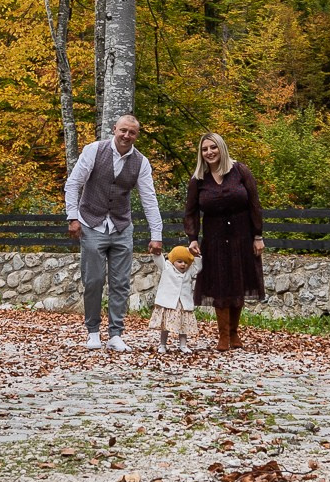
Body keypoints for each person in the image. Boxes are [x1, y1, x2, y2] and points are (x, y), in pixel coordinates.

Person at [64, 114, 164, 351]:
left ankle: (116, 334)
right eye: (123, 131)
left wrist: (156, 235)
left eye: (132, 133)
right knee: (94, 280)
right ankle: (93, 332)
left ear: (136, 135)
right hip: (91, 222)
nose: (127, 136)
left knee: (121, 283)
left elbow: (149, 199)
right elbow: (74, 183)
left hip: (121, 226)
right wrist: (72, 217)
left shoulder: (141, 162)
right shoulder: (94, 151)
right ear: (114, 130)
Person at [183, 131, 264, 351]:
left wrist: (258, 235)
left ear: (221, 148)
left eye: (213, 147)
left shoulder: (240, 171)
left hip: (242, 236)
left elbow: (254, 204)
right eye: (204, 149)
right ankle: (223, 336)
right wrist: (192, 238)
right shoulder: (198, 179)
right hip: (214, 238)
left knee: (238, 282)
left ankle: (235, 333)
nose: (209, 152)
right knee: (220, 284)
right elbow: (190, 212)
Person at [150, 244, 202, 353]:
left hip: (183, 304)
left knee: (184, 326)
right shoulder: (167, 267)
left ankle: (183, 345)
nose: (183, 264)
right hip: (168, 303)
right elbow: (158, 260)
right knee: (165, 326)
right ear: (173, 260)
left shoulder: (189, 271)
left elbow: (198, 267)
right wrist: (156, 252)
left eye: (185, 262)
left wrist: (196, 256)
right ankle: (162, 345)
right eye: (179, 261)